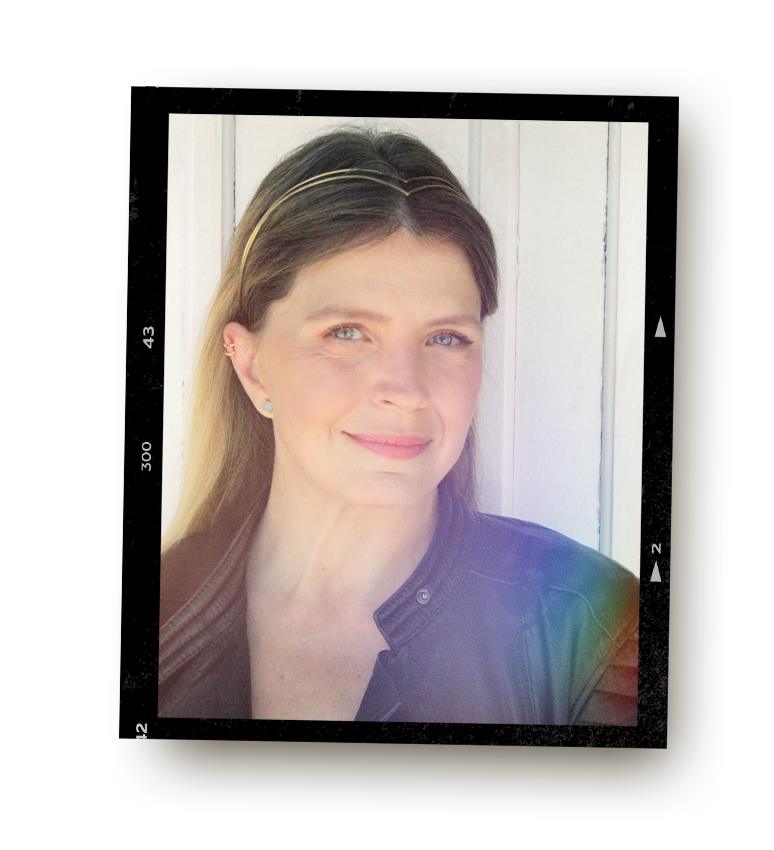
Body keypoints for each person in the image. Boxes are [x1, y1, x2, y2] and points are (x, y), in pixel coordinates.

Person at [158, 128, 639, 724]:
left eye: (446, 338)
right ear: (252, 366)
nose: (407, 390)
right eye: (347, 332)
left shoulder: (597, 630)